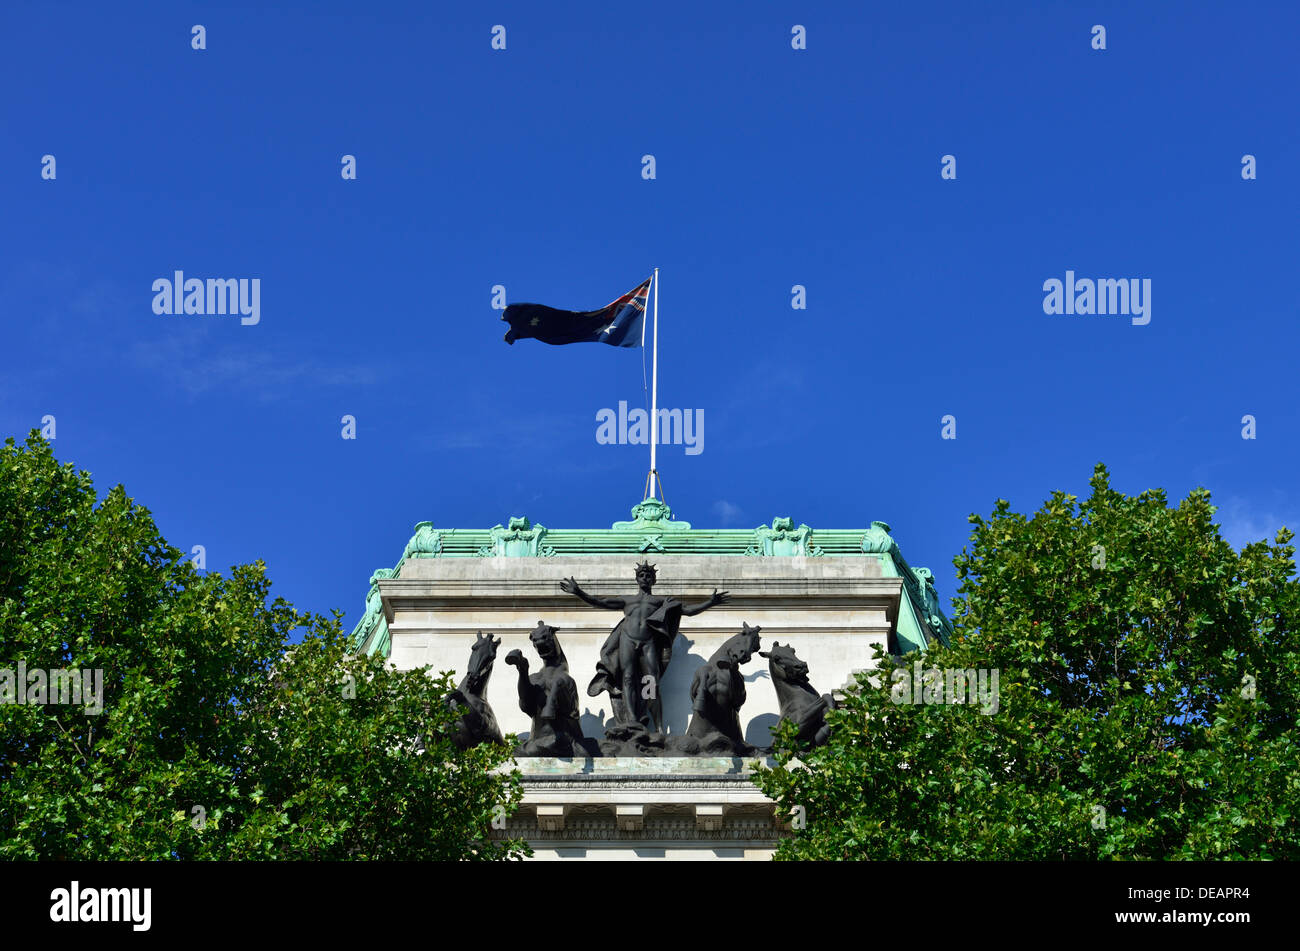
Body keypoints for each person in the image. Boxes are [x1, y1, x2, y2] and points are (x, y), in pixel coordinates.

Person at [560, 562, 729, 735]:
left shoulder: (660, 601)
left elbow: (687, 610)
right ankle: (632, 721)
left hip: (648, 643)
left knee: (650, 682)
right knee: (628, 678)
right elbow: (599, 603)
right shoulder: (627, 600)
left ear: (653, 580)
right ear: (637, 579)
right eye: (642, 575)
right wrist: (578, 592)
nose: (645, 578)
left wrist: (710, 602)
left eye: (649, 576)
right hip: (627, 640)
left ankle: (658, 727)